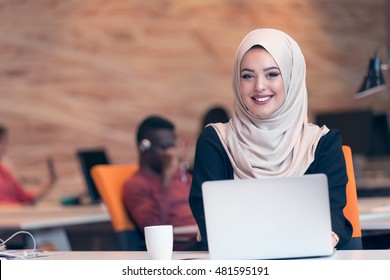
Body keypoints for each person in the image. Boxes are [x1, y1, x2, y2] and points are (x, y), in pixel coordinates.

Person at [189, 28, 353, 250]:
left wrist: (322, 242)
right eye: (247, 76)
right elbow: (209, 220)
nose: (259, 86)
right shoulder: (216, 141)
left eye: (272, 74)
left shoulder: (322, 143)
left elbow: (333, 218)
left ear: (292, 78)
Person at [123, 115, 199, 250]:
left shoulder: (181, 175)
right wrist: (166, 177)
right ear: (144, 148)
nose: (171, 153)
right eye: (165, 148)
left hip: (204, 237)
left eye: (172, 146)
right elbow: (152, 226)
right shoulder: (136, 184)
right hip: (184, 246)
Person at [0, 124, 56, 204]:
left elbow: (26, 198)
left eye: (4, 142)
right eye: (2, 142)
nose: (5, 147)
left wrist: (48, 184)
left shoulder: (4, 171)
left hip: (17, 214)